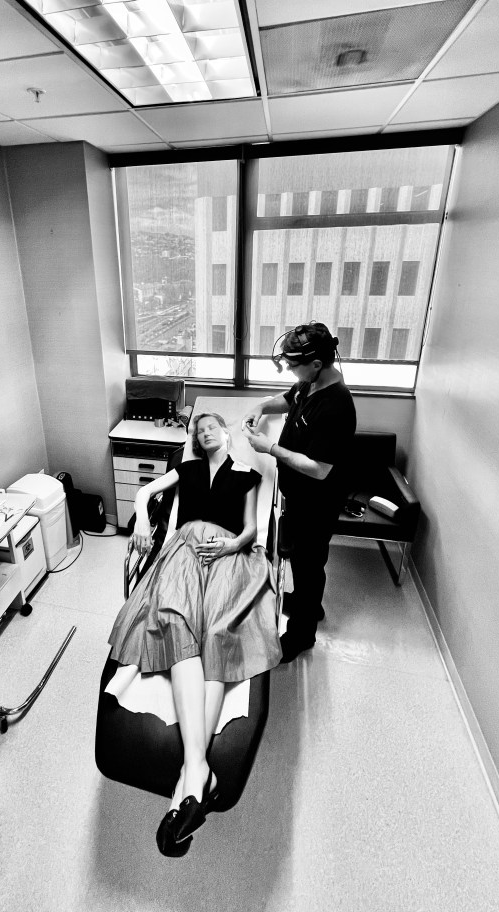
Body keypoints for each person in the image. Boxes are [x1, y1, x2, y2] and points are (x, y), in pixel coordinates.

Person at [107, 412, 281, 857]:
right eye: (197, 431)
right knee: (175, 620)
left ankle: (190, 781)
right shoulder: (185, 470)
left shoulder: (247, 474)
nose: (204, 433)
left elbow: (251, 529)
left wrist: (231, 546)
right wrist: (141, 520)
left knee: (221, 632)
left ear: (225, 433)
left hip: (227, 554)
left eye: (211, 427)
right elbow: (145, 492)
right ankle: (198, 774)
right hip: (184, 550)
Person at [242, 322, 356, 663]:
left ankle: (301, 636)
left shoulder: (336, 405)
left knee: (308, 564)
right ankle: (310, 605)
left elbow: (319, 468)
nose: (291, 370)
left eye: (294, 365)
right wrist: (261, 407)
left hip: (317, 502)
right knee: (304, 563)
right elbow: (288, 398)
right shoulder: (311, 382)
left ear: (317, 363)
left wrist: (270, 448)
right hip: (298, 493)